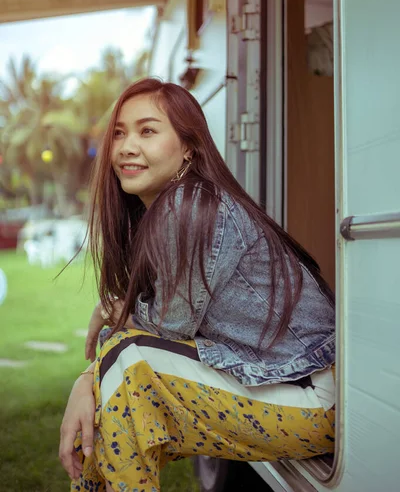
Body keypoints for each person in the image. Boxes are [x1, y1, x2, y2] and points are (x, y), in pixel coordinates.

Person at [59, 78, 335, 492]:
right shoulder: (171, 210)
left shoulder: (193, 206)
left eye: (147, 131)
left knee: (127, 374)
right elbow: (153, 334)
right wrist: (92, 374)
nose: (126, 147)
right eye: (119, 132)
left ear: (188, 146)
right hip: (276, 386)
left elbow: (165, 331)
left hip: (309, 396)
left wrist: (90, 375)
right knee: (115, 390)